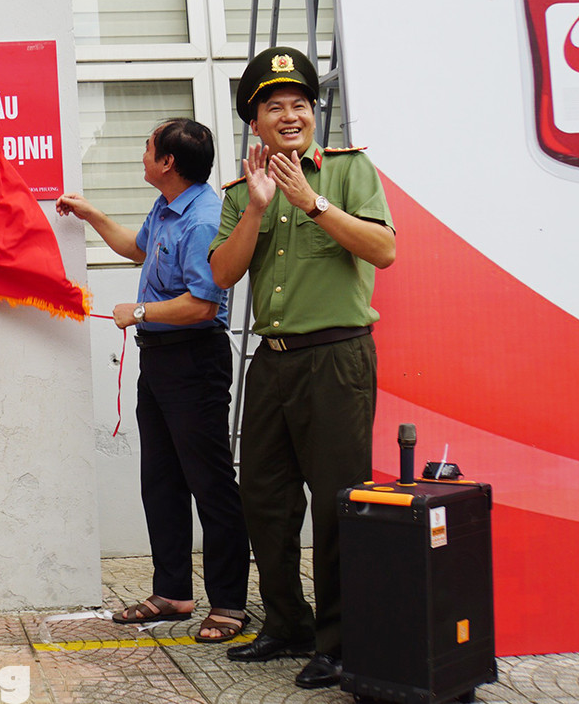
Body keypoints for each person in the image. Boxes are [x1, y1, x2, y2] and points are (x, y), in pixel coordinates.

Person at [209, 47, 395, 689]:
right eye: (273, 107)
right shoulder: (239, 193)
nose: (290, 116)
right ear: (254, 123)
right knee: (264, 498)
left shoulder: (349, 171)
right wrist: (260, 206)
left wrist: (312, 202)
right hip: (273, 362)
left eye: (299, 105)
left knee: (340, 502)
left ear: (313, 114)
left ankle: (342, 643)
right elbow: (223, 274)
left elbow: (384, 251)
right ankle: (288, 624)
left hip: (337, 358)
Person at [56, 119, 248, 643]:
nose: (142, 154)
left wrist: (138, 311)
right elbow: (138, 249)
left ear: (167, 162)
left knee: (209, 482)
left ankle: (230, 603)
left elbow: (203, 303)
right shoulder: (166, 207)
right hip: (159, 360)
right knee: (161, 479)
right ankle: (173, 593)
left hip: (194, 360)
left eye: (147, 147)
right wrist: (89, 211)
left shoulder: (204, 218)